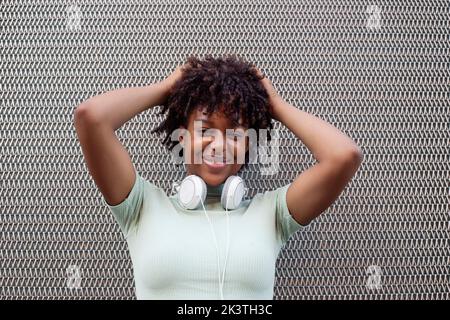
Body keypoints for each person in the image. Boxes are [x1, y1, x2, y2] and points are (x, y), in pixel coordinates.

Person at [74, 54, 363, 300]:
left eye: (235, 133)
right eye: (204, 129)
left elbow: (344, 156)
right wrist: (166, 90)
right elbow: (91, 117)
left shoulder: (272, 214)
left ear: (248, 143)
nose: (219, 144)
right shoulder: (140, 206)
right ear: (182, 136)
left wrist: (273, 104)